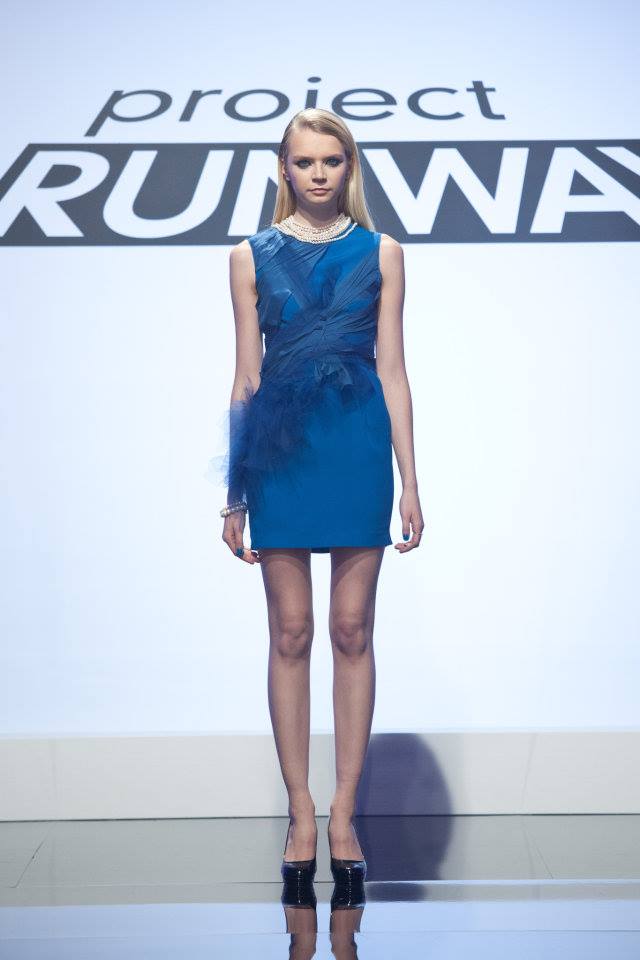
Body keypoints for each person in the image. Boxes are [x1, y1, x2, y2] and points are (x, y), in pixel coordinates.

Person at [218, 107, 424, 883]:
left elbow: (394, 370)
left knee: (351, 629)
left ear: (349, 168)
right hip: (281, 451)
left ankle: (344, 811)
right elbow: (245, 378)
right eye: (303, 161)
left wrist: (411, 480)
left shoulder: (383, 252)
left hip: (357, 446)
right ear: (284, 169)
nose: (317, 173)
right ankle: (300, 810)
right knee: (292, 632)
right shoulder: (248, 256)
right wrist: (234, 493)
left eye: (331, 161)